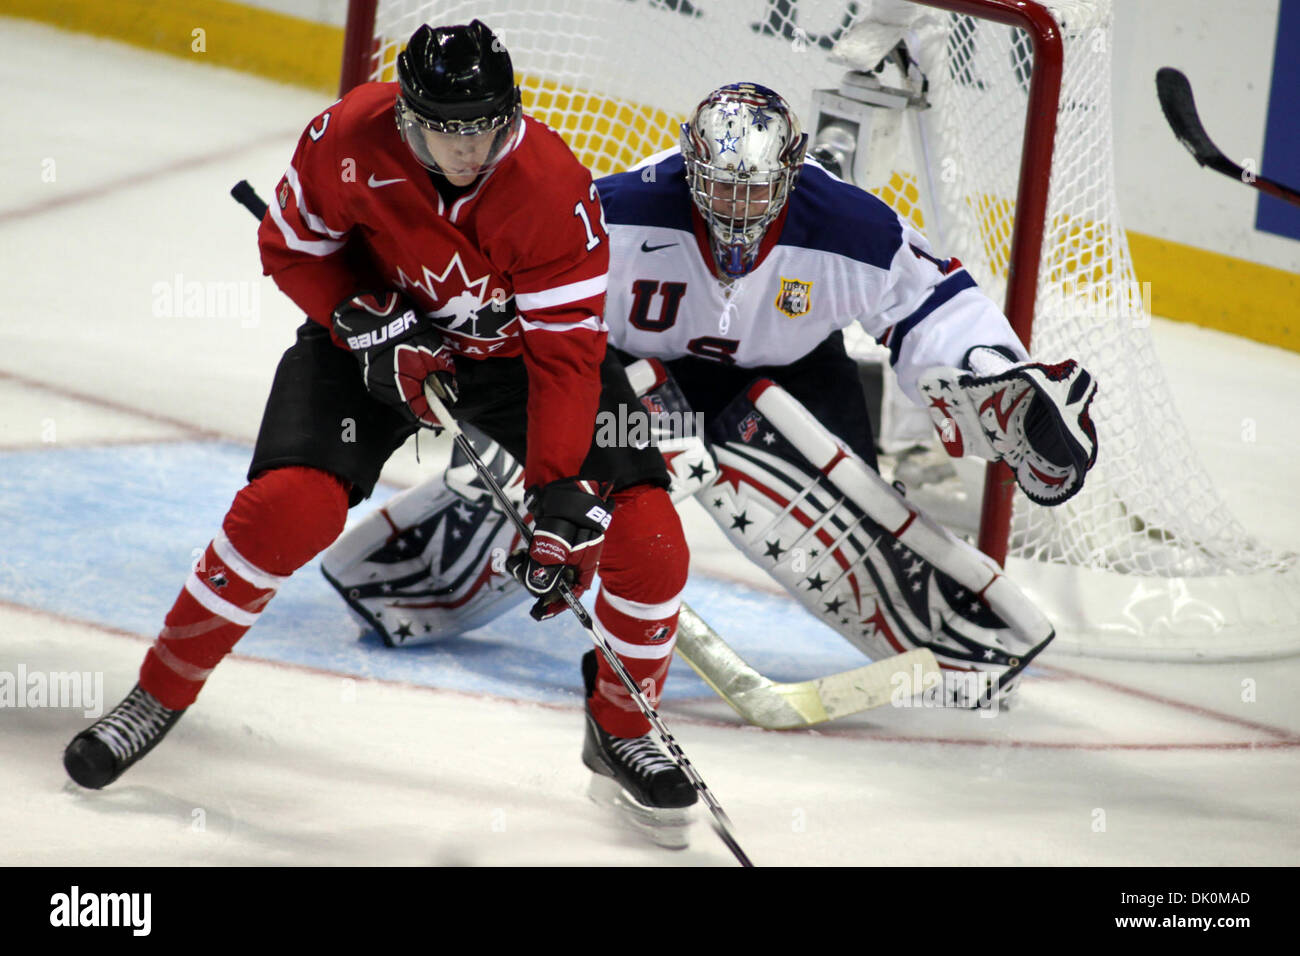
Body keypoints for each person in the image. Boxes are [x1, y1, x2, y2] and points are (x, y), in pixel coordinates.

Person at [63, 21, 697, 837]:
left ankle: (622, 727)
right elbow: (290, 249)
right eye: (448, 129)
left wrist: (557, 492)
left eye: (488, 127)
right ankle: (159, 692)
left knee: (648, 540)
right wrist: (355, 315)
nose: (471, 150)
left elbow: (568, 362)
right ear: (407, 117)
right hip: (371, 344)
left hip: (519, 365)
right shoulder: (346, 138)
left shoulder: (553, 190)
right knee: (288, 508)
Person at [323, 82, 1099, 711]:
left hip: (795, 373)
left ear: (789, 173)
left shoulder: (848, 227)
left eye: (754, 191)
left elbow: (933, 302)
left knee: (848, 506)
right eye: (720, 189)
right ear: (691, 167)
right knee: (582, 491)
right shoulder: (617, 211)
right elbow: (524, 298)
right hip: (642, 373)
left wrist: (989, 370)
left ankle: (963, 647)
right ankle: (422, 574)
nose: (736, 209)